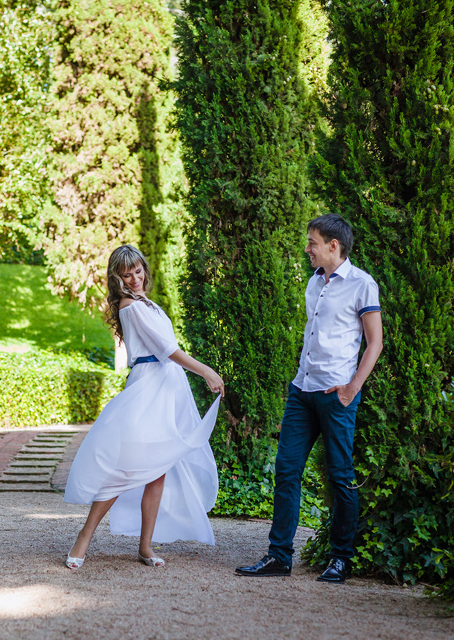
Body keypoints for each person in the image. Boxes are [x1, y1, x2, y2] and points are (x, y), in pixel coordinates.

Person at [235, 213, 383, 583]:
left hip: (337, 396)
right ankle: (279, 556)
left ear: (334, 245)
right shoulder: (314, 283)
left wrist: (351, 389)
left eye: (312, 242)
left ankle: (340, 559)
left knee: (340, 476)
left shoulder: (362, 284)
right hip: (301, 392)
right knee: (286, 471)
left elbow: (375, 343)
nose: (307, 249)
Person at [63, 244, 225, 569]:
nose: (135, 278)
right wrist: (206, 370)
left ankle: (145, 547)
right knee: (125, 468)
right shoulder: (130, 307)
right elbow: (167, 349)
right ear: (118, 279)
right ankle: (84, 535)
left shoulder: (147, 303)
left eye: (138, 271)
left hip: (168, 390)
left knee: (157, 471)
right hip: (148, 386)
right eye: (127, 274)